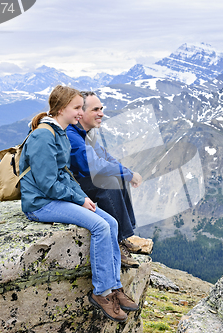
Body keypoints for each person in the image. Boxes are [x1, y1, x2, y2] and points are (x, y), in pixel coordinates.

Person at [19, 85, 139, 323]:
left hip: (54, 197)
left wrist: (82, 198)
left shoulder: (60, 132)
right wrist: (78, 198)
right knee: (100, 226)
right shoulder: (44, 136)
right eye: (77, 108)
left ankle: (114, 286)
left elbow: (65, 174)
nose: (80, 112)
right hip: (40, 203)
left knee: (111, 222)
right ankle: (102, 292)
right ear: (62, 108)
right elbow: (46, 184)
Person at [66, 91, 144, 268]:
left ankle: (124, 236)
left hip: (80, 181)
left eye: (101, 108)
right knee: (108, 182)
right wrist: (127, 174)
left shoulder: (87, 133)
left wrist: (128, 173)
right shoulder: (71, 134)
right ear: (80, 113)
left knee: (120, 177)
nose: (101, 113)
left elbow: (105, 157)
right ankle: (115, 242)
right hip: (69, 187)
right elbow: (91, 166)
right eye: (95, 109)